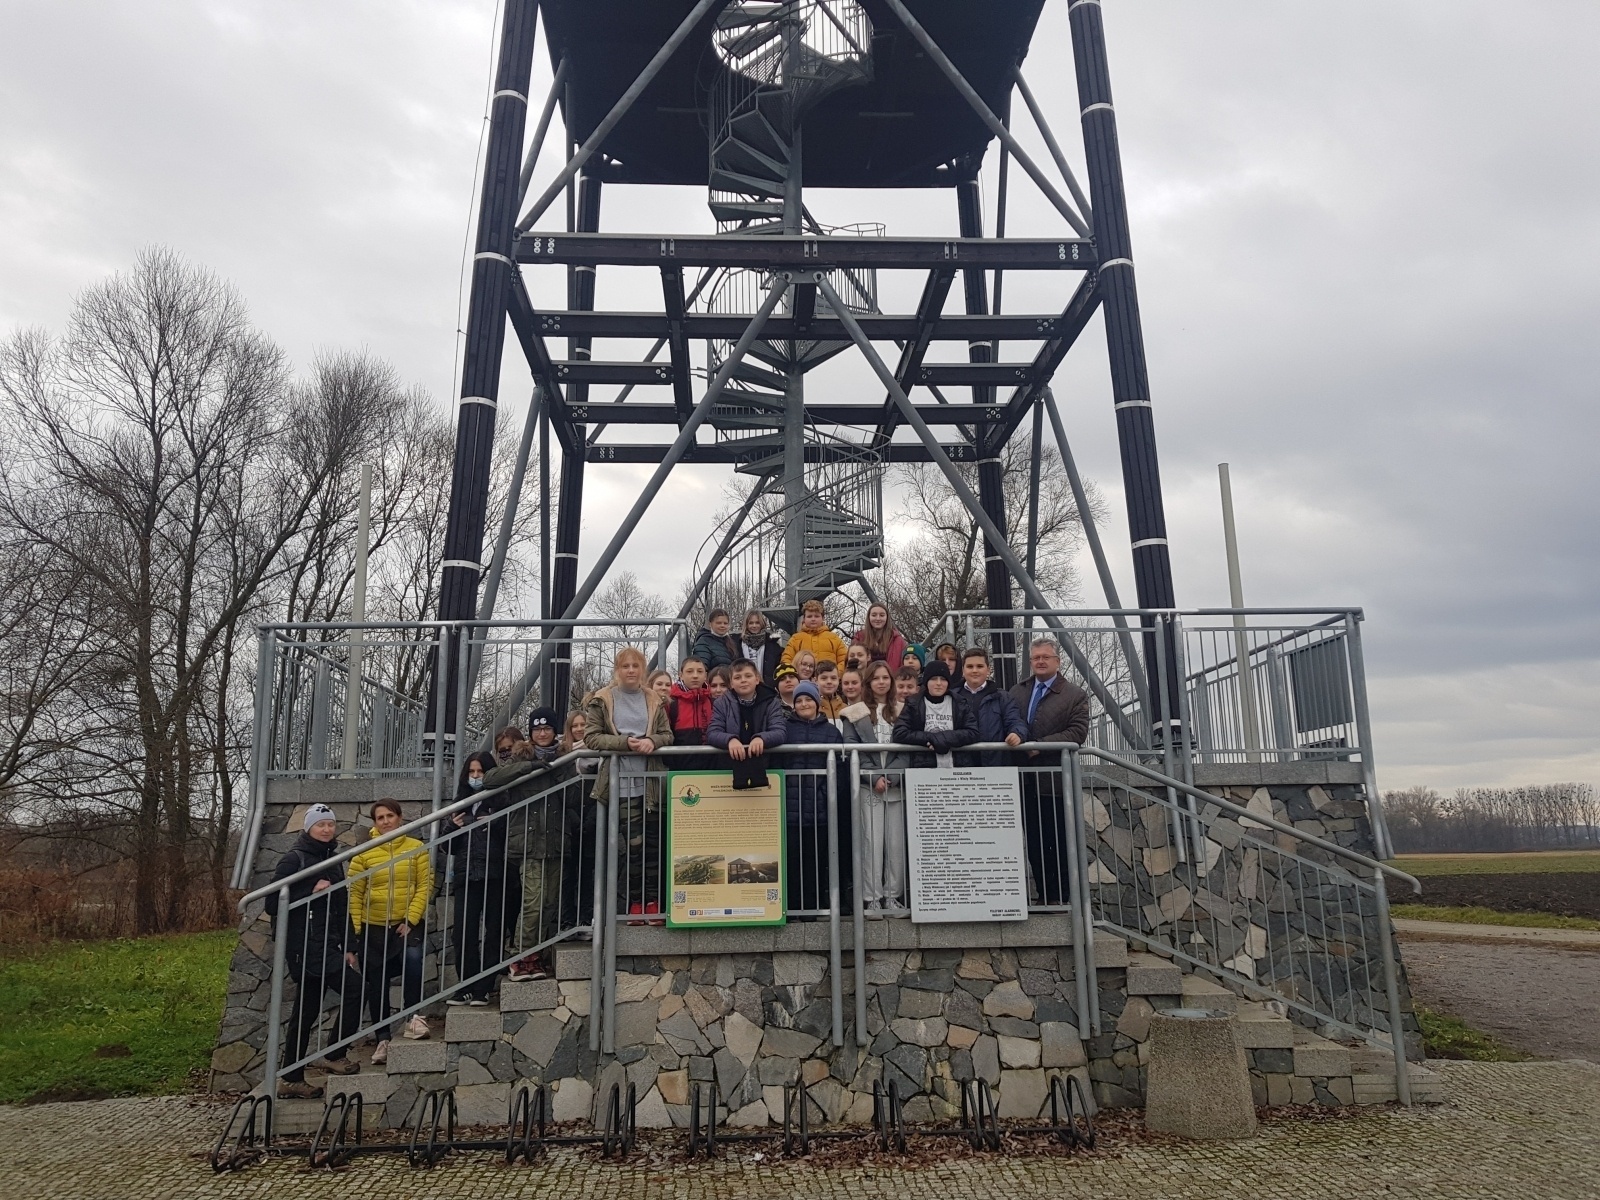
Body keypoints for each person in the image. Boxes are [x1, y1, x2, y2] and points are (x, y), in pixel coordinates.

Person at [267, 804, 362, 1097]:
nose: (326, 829)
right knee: (357, 989)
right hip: (304, 947)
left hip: (327, 945)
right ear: (308, 827)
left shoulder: (333, 860)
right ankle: (333, 1055)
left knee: (305, 1013)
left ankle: (291, 1078)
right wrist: (308, 890)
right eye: (320, 824)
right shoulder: (293, 859)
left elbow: (342, 907)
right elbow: (271, 903)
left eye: (330, 824)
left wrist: (349, 946)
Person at [582, 647, 675, 922]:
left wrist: (652, 741)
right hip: (621, 782)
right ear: (617, 670)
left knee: (653, 846)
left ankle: (653, 903)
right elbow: (592, 737)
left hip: (652, 782)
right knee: (635, 845)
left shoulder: (654, 699)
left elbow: (667, 735)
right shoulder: (603, 699)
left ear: (643, 670)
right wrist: (625, 743)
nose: (631, 671)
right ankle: (636, 902)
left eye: (636, 666)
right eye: (625, 666)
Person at [1007, 638, 1090, 908]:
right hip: (1024, 780)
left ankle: (1062, 898)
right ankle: (1045, 896)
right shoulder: (1017, 692)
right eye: (1036, 658)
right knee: (1035, 843)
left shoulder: (1074, 695)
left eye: (1046, 657)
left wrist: (1039, 746)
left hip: (1055, 781)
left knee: (1059, 841)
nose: (1040, 661)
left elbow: (1077, 732)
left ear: (1057, 661)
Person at [349, 799, 433, 1061]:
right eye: (380, 818)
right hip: (373, 927)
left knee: (414, 961)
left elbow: (424, 885)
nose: (386, 821)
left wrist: (411, 919)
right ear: (375, 823)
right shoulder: (363, 853)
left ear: (400, 817)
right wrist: (356, 933)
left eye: (390, 816)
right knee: (377, 981)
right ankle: (382, 1039)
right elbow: (354, 894)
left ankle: (413, 1018)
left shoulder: (416, 848)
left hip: (406, 924)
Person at [486, 716, 565, 982]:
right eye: (537, 729)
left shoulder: (563, 757)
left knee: (548, 904)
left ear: (555, 731)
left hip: (555, 841)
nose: (542, 733)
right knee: (533, 902)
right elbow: (491, 779)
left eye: (547, 728)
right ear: (530, 733)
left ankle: (534, 956)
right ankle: (519, 955)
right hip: (529, 844)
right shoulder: (521, 756)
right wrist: (528, 767)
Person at [445, 751, 518, 1005]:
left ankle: (483, 988)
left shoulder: (503, 801)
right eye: (472, 772)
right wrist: (451, 828)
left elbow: (511, 836)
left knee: (494, 932)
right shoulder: (459, 804)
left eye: (481, 771)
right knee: (463, 935)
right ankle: (465, 985)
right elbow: (447, 847)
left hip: (495, 875)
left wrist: (496, 822)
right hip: (466, 876)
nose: (476, 776)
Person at [840, 662, 909, 918]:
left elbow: (908, 748)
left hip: (896, 785)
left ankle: (893, 896)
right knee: (871, 843)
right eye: (876, 678)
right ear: (868, 682)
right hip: (869, 787)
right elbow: (852, 749)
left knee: (895, 844)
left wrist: (891, 777)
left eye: (886, 678)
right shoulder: (854, 713)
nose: (882, 682)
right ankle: (872, 899)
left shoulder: (903, 711)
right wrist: (874, 777)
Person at [783, 681, 844, 913]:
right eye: (799, 700)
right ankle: (792, 907)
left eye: (808, 699)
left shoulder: (831, 732)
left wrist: (826, 794)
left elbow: (839, 769)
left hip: (819, 807)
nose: (804, 704)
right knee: (792, 858)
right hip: (791, 807)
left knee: (816, 859)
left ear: (817, 703)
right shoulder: (785, 729)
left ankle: (813, 906)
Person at [707, 658, 787, 790]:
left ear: (757, 679)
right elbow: (712, 732)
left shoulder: (772, 702)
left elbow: (780, 731)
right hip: (729, 771)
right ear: (731, 683)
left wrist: (761, 738)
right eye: (737, 677)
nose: (743, 680)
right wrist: (730, 740)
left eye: (748, 676)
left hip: (766, 767)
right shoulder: (721, 703)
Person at [893, 659, 979, 769]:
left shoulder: (959, 703)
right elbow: (899, 733)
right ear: (926, 682)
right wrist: (930, 738)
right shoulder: (914, 703)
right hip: (924, 768)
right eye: (933, 679)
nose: (938, 683)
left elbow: (973, 732)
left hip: (958, 769)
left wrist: (946, 738)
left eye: (943, 679)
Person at [957, 647, 1029, 767]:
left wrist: (1017, 733)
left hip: (995, 766)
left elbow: (1015, 721)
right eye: (970, 666)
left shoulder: (1003, 697)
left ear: (988, 670)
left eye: (980, 666)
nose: (975, 670)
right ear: (963, 671)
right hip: (960, 768)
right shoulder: (953, 697)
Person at [779, 598, 849, 673]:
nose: (813, 619)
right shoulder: (795, 639)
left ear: (823, 618)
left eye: (816, 616)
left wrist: (834, 675)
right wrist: (794, 676)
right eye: (809, 616)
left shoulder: (834, 638)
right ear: (804, 619)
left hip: (829, 679)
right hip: (802, 679)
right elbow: (786, 660)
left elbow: (844, 659)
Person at [668, 657, 714, 747]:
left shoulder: (713, 701)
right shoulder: (671, 702)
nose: (695, 676)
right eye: (689, 671)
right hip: (679, 755)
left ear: (705, 676)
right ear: (681, 675)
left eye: (700, 671)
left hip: (710, 755)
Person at [852, 602, 908, 668]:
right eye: (874, 615)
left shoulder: (897, 640)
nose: (878, 618)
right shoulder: (859, 638)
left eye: (882, 615)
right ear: (869, 617)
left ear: (887, 618)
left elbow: (904, 666)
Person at [739, 609, 784, 686]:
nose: (754, 626)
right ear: (746, 624)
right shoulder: (738, 644)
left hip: (767, 687)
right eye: (751, 623)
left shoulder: (772, 644)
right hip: (744, 686)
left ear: (762, 624)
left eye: (757, 623)